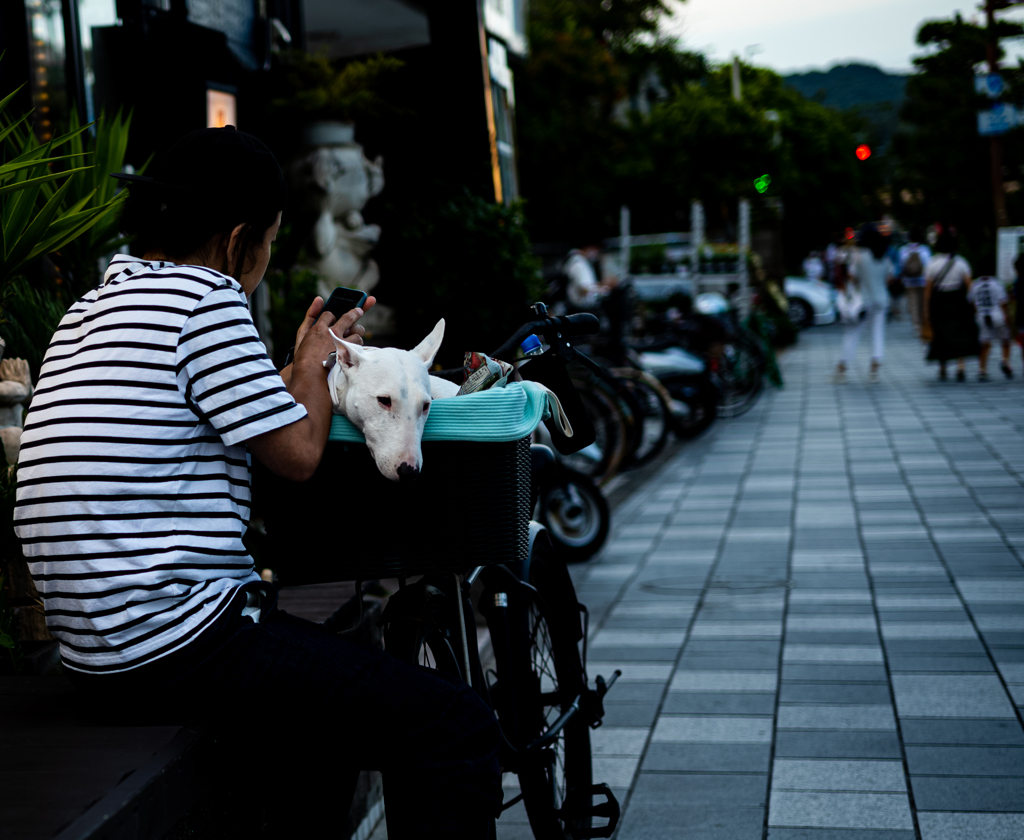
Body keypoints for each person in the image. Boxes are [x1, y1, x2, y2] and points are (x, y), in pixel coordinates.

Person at [13, 127, 501, 838]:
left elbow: (220, 416)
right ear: (242, 238)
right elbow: (299, 456)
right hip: (176, 640)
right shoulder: (207, 301)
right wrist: (311, 356)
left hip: (93, 650)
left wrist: (302, 369)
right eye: (270, 242)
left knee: (326, 714)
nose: (267, 260)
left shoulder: (92, 306)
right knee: (454, 725)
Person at [834, 223, 893, 383]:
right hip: (881, 300)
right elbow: (889, 278)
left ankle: (843, 367)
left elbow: (852, 277)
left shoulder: (859, 256)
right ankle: (875, 365)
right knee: (878, 332)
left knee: (853, 333)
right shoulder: (883, 256)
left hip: (863, 302)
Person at [923, 230, 978, 382]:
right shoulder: (961, 262)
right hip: (958, 300)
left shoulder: (932, 263)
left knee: (941, 334)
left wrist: (926, 310)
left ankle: (943, 367)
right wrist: (972, 303)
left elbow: (928, 290)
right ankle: (961, 366)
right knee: (960, 333)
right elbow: (969, 285)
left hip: (939, 301)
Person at [968, 275, 1013, 381]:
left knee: (985, 344)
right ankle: (1005, 360)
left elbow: (971, 302)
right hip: (997, 315)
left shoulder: (974, 285)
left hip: (982, 315)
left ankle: (982, 370)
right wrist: (1007, 317)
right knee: (1005, 339)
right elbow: (1003, 302)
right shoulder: (997, 284)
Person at [898, 226, 932, 336]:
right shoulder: (925, 249)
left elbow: (901, 265)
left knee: (912, 303)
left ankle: (916, 324)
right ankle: (923, 323)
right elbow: (928, 265)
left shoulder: (903, 250)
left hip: (908, 281)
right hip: (923, 280)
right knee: (923, 302)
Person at [563, 245, 618, 309]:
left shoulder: (578, 260)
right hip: (581, 307)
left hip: (583, 305)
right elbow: (584, 288)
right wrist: (603, 287)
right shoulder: (579, 263)